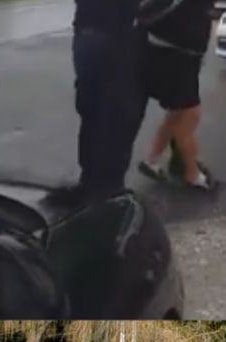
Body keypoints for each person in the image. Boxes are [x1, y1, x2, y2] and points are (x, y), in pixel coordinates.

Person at [57, 0, 147, 209]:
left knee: (91, 111)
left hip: (87, 33)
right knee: (121, 114)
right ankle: (108, 192)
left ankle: (89, 182)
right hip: (117, 36)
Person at [137, 0, 221, 191]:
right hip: (171, 56)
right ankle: (192, 174)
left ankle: (151, 160)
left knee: (177, 114)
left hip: (183, 57)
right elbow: (148, 13)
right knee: (189, 115)